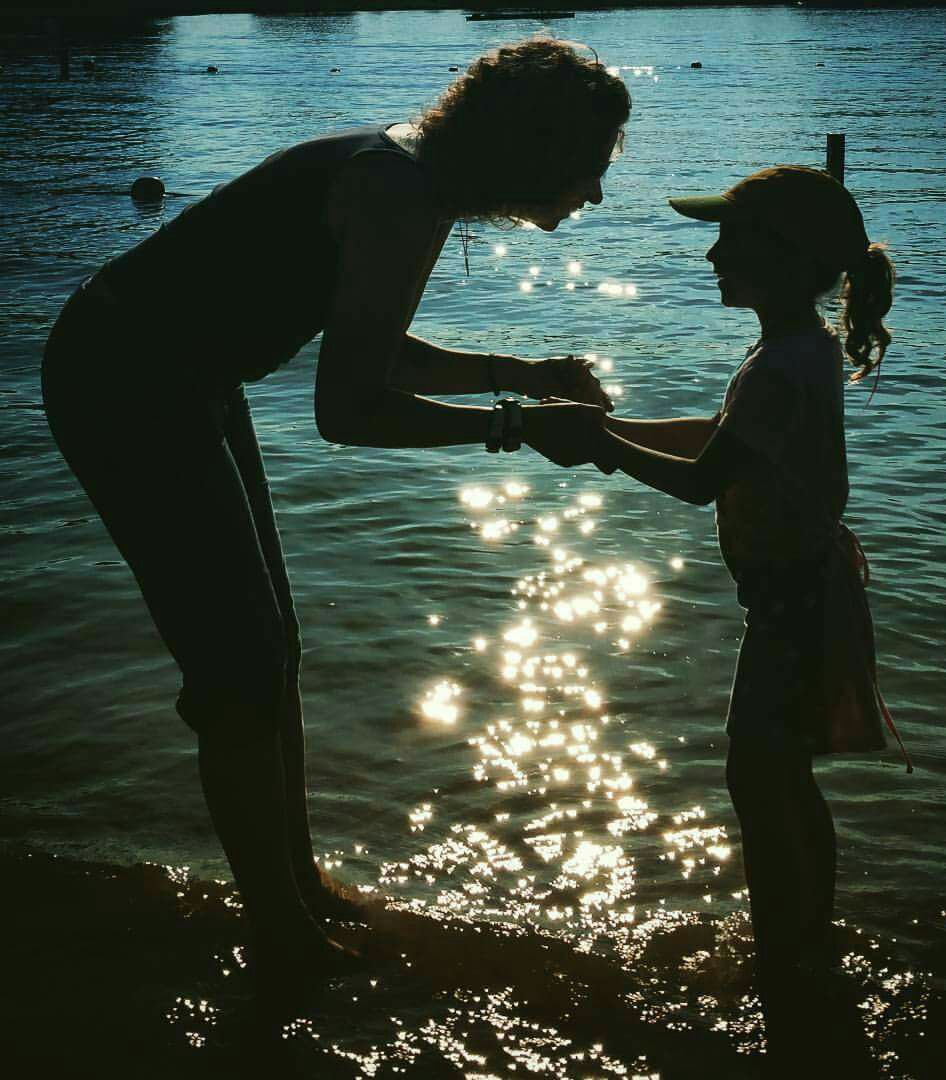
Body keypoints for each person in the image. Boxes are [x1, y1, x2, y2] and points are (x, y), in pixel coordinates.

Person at [41, 37, 628, 1001]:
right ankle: (279, 934)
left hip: (184, 373)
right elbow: (348, 410)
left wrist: (518, 375)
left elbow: (374, 346)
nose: (597, 192)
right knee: (240, 662)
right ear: (536, 143)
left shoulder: (416, 177)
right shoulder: (398, 190)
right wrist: (517, 426)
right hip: (123, 376)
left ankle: (298, 888)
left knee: (274, 644)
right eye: (590, 164)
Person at [531, 165, 910, 1069]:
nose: (711, 254)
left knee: (759, 778)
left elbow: (705, 480)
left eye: (731, 238)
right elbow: (723, 436)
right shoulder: (798, 347)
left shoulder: (782, 362)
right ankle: (805, 943)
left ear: (785, 257)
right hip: (801, 591)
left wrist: (600, 445)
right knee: (782, 779)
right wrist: (611, 428)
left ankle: (784, 957)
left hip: (790, 604)